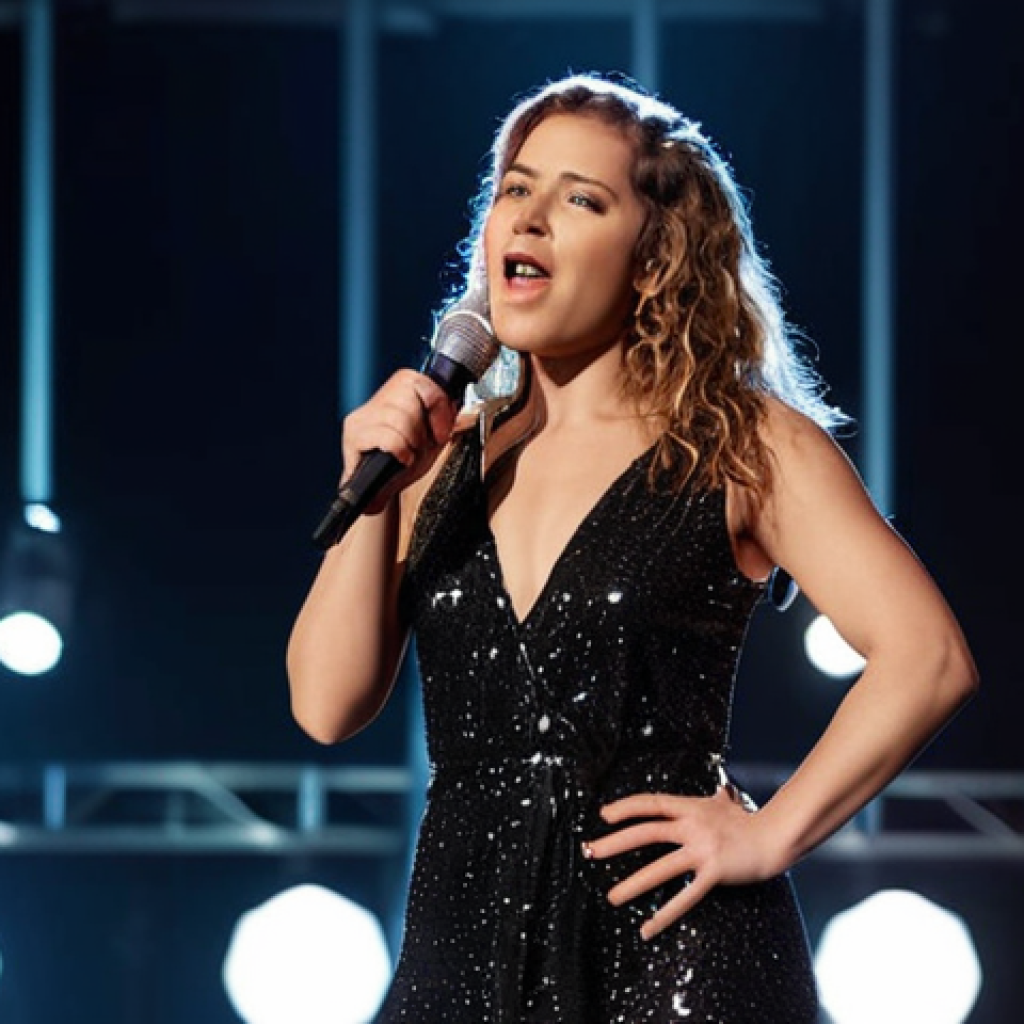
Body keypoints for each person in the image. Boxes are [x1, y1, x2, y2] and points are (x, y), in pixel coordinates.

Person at [287, 74, 978, 1023]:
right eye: (515, 190)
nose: (529, 219)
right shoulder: (439, 460)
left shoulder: (744, 442)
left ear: (653, 260)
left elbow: (928, 656)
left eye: (580, 198)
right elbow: (326, 707)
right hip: (462, 945)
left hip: (677, 952)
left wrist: (769, 835)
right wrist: (372, 491)